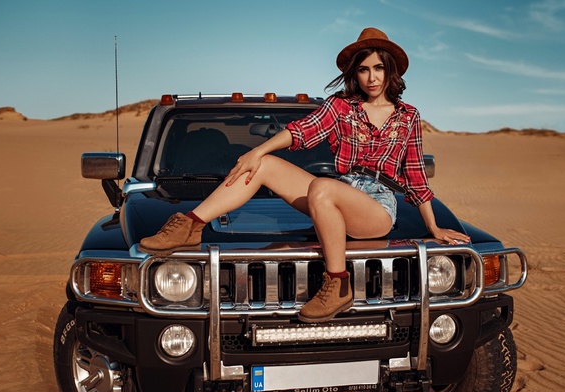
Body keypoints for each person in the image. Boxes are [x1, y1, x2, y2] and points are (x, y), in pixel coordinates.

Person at [139, 27, 471, 323]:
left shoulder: (408, 116)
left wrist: (433, 226)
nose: (372, 77)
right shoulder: (341, 107)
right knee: (265, 165)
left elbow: (414, 175)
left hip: (376, 206)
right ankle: (191, 225)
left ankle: (338, 283)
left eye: (379, 68)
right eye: (364, 69)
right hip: (336, 192)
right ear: (355, 73)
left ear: (390, 71)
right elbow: (302, 131)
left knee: (324, 188)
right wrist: (258, 151)